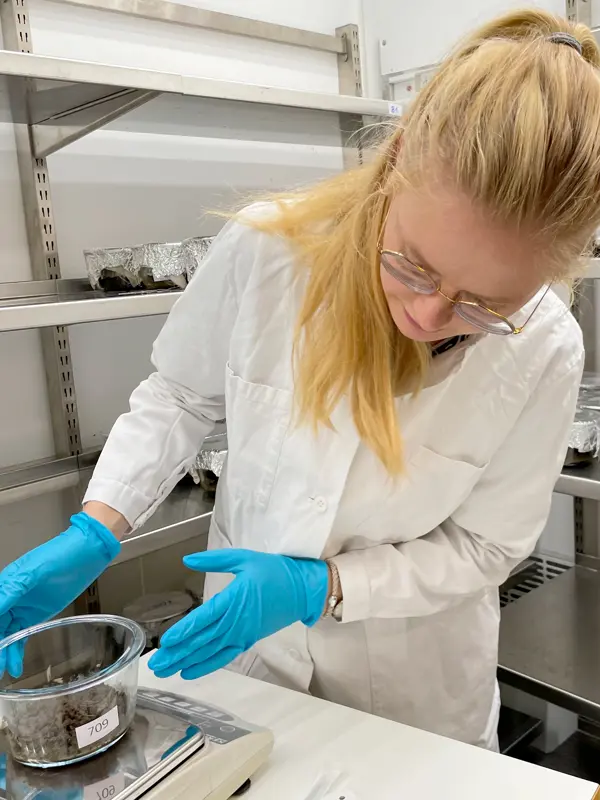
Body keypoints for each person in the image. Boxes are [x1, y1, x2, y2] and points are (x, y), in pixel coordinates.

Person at [1, 9, 600, 750]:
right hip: (250, 670)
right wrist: (101, 524)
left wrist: (325, 587)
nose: (427, 313)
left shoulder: (544, 348)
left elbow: (485, 547)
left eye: (484, 305)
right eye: (413, 263)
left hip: (413, 709)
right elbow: (181, 395)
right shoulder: (269, 250)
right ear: (397, 158)